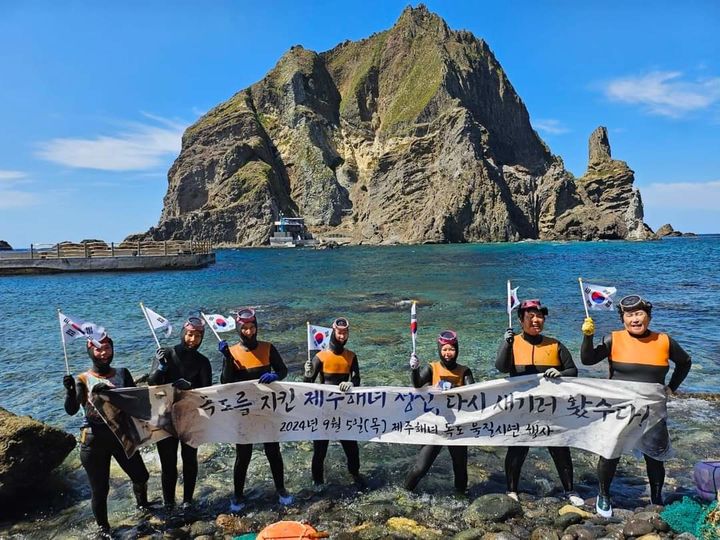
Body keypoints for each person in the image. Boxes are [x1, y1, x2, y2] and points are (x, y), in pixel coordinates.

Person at [581, 294, 692, 517]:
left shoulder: (664, 340)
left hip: (653, 409)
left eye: (639, 314)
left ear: (648, 317)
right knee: (610, 452)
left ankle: (656, 497)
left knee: (655, 456)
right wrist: (588, 337)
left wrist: (672, 387)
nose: (635, 319)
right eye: (629, 315)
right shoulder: (613, 339)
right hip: (619, 409)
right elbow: (587, 360)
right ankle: (604, 495)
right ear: (623, 319)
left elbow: (685, 362)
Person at [496, 299, 583, 506]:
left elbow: (573, 371)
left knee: (559, 447)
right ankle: (511, 490)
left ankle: (569, 491)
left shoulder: (554, 344)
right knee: (518, 448)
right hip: (522, 408)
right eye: (530, 317)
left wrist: (561, 372)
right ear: (520, 320)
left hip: (550, 409)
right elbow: (501, 367)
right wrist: (507, 345)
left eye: (539, 316)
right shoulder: (512, 343)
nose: (536, 320)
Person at [62, 334, 150, 536]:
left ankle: (143, 507)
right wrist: (69, 392)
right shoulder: (83, 379)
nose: (103, 353)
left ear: (112, 349)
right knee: (100, 491)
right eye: (98, 349)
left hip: (121, 437)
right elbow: (71, 410)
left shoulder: (122, 373)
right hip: (94, 442)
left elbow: (135, 402)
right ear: (90, 351)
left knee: (141, 476)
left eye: (107, 348)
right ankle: (104, 529)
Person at [218, 307, 294, 512]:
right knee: (243, 455)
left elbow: (283, 370)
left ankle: (281, 489)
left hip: (267, 408)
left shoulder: (268, 348)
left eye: (252, 328)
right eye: (245, 329)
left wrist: (275, 377)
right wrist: (226, 359)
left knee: (273, 451)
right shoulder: (232, 352)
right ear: (239, 329)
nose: (249, 332)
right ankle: (238, 495)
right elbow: (225, 382)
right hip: (243, 412)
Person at [148, 316, 212, 509]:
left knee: (190, 460)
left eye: (198, 336)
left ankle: (187, 501)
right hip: (165, 417)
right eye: (190, 334)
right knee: (168, 464)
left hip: (190, 418)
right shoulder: (165, 354)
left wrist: (189, 387)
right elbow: (152, 383)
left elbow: (207, 392)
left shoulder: (202, 362)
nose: (193, 339)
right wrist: (161, 367)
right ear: (183, 333)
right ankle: (168, 503)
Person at [404, 330, 474, 494]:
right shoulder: (432, 368)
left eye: (451, 349)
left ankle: (460, 498)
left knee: (460, 469)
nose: (448, 353)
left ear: (457, 350)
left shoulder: (465, 371)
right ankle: (404, 493)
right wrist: (414, 369)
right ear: (439, 350)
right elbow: (417, 385)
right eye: (444, 349)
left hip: (457, 427)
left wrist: (455, 389)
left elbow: (473, 394)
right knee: (421, 467)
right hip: (435, 426)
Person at [303, 317, 362, 488]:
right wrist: (307, 374)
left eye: (345, 333)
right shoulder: (320, 357)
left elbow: (357, 380)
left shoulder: (351, 356)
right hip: (324, 411)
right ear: (333, 332)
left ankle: (355, 476)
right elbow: (306, 387)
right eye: (339, 332)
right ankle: (318, 484)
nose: (342, 336)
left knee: (352, 449)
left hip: (344, 411)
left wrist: (352, 383)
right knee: (320, 451)